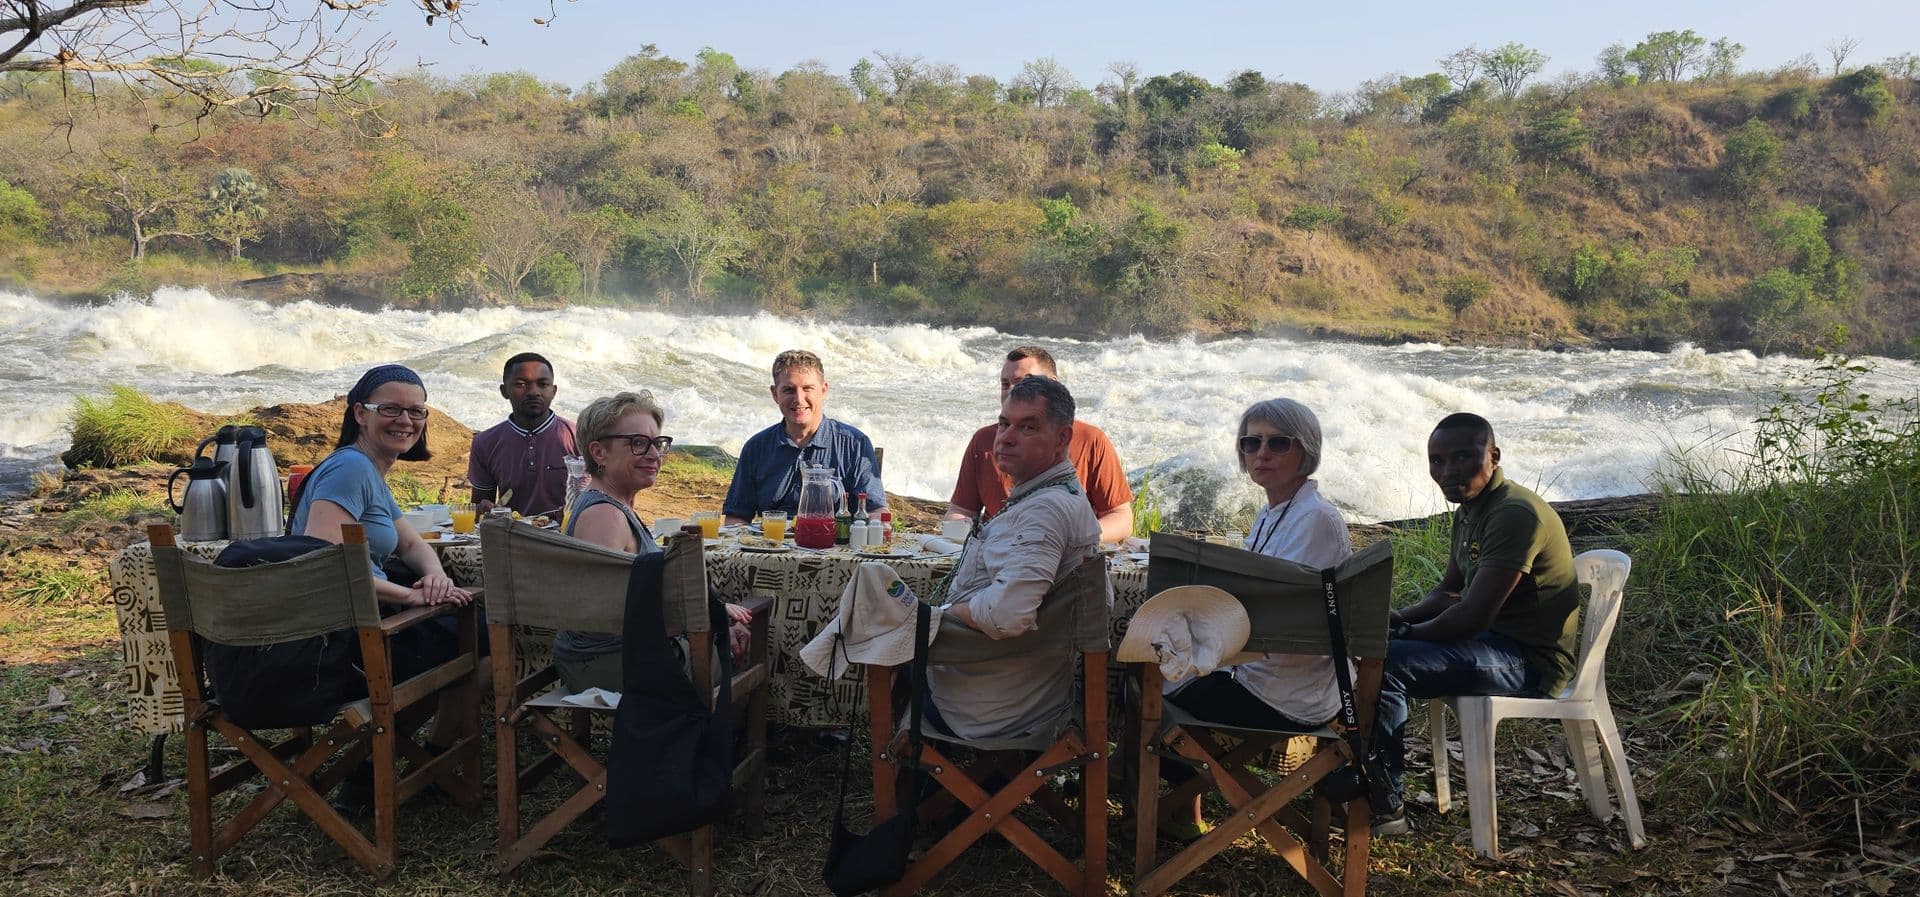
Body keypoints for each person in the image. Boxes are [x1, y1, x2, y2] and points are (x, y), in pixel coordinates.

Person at [1369, 412, 1583, 836]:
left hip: (1528, 660)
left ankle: (1383, 805)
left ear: (1494, 456)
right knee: (1374, 651)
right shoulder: (1471, 508)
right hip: (1494, 643)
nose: (1448, 471)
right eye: (1437, 460)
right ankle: (1360, 780)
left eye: (1463, 457)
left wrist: (1406, 636)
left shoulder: (1515, 513)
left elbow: (1472, 615)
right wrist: (1397, 619)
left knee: (1385, 667)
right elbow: (1450, 591)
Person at [1158, 398, 1352, 839]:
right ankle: (1168, 798)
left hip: (1283, 690)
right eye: (1251, 442)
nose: (1260, 453)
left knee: (1148, 680)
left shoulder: (1315, 521)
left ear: (1305, 451)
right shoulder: (1276, 511)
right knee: (1154, 665)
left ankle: (1169, 799)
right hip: (1269, 670)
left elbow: (1276, 621)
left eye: (1277, 443)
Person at [288, 363, 474, 817]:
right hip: (337, 640)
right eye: (390, 409)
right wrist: (409, 596)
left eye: (416, 411)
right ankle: (381, 765)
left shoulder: (367, 470)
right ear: (360, 413)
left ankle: (396, 760)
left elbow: (410, 542)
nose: (405, 420)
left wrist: (436, 576)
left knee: (471, 631)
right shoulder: (350, 468)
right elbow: (325, 559)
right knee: (479, 639)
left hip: (360, 622)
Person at [928, 375, 1107, 740]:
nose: (1006, 437)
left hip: (988, 706)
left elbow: (1005, 616)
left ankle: (916, 790)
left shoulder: (1046, 512)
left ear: (1062, 439)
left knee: (884, 635)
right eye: (1004, 424)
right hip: (1013, 686)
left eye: (1027, 427)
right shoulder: (1048, 497)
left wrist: (944, 615)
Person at [553, 390, 752, 694]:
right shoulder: (604, 517)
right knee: (750, 644)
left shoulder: (611, 505)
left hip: (616, 659)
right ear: (599, 452)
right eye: (638, 443)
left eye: (657, 444)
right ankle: (706, 738)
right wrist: (711, 619)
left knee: (730, 635)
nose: (655, 455)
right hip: (615, 666)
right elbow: (607, 613)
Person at [945, 346, 1134, 542]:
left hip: (1069, 557)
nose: (1011, 391)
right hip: (996, 552)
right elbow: (961, 510)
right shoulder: (983, 440)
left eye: (1023, 383)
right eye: (1005, 383)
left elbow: (1120, 516)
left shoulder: (1091, 439)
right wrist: (964, 531)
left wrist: (1076, 539)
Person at [722, 350, 884, 525]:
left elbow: (876, 511)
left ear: (823, 391)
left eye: (808, 388)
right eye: (789, 390)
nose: (799, 399)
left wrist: (877, 530)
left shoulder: (855, 444)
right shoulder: (756, 447)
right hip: (770, 547)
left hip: (836, 548)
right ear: (775, 394)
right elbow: (736, 517)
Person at [468, 352, 576, 516]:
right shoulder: (485, 443)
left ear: (553, 391)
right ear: (504, 391)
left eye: (543, 384)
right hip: (512, 536)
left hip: (570, 537)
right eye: (521, 384)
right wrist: (484, 509)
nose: (533, 392)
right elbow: (480, 508)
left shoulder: (578, 437)